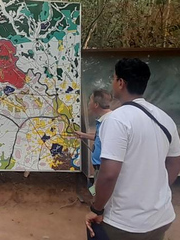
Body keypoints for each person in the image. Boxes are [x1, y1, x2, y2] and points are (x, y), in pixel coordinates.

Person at [86, 58, 180, 239]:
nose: (113, 83)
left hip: (125, 223)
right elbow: (174, 163)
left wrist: (96, 208)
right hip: (161, 217)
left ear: (121, 83)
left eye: (114, 78)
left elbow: (109, 174)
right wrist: (155, 193)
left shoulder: (117, 120)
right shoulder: (165, 119)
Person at [75, 89, 112, 195]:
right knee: (95, 192)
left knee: (99, 193)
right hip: (99, 167)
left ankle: (97, 209)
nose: (88, 104)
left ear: (96, 104)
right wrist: (83, 135)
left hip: (103, 168)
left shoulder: (110, 122)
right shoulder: (104, 120)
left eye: (90, 101)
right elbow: (98, 138)